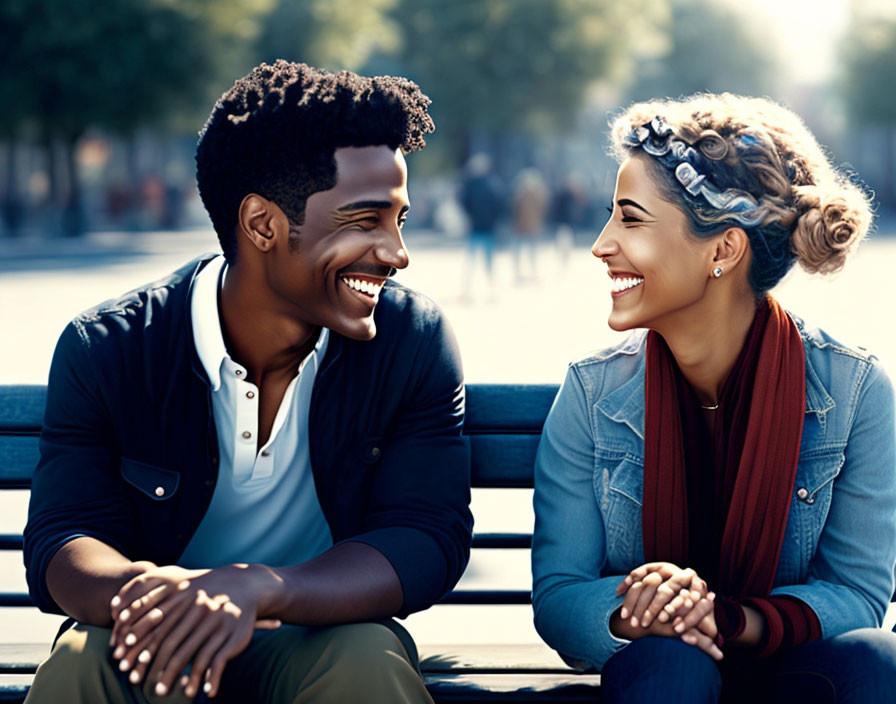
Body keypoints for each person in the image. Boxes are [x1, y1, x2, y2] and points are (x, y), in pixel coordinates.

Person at [23, 61, 472, 704]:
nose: (397, 252)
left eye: (398, 220)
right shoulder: (110, 347)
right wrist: (154, 599)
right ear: (261, 224)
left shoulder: (411, 340)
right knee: (80, 660)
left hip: (322, 636)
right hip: (149, 635)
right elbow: (63, 536)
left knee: (367, 659)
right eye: (366, 220)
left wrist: (264, 587)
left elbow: (425, 536)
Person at [531, 94, 896, 703]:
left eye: (631, 219)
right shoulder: (592, 394)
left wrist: (726, 619)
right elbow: (561, 594)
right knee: (674, 668)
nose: (601, 244)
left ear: (723, 251)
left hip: (799, 670)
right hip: (660, 670)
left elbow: (857, 595)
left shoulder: (855, 392)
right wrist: (643, 612)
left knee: (876, 662)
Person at [459, 153, 504, 301]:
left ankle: (470, 290)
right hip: (487, 228)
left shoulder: (470, 185)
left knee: (473, 261)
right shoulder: (492, 184)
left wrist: (469, 217)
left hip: (477, 227)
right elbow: (499, 205)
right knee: (488, 262)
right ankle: (490, 291)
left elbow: (464, 203)